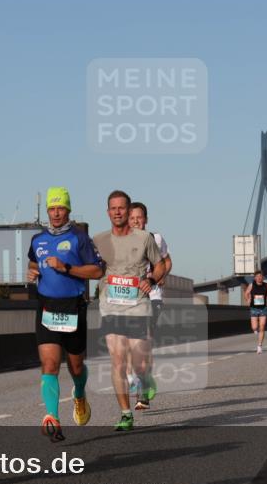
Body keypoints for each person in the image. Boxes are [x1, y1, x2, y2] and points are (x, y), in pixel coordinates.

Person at [26, 187, 104, 441]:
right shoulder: (37, 240)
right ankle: (52, 417)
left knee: (76, 365)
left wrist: (67, 267)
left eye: (60, 208)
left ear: (68, 210)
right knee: (49, 364)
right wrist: (32, 274)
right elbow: (33, 263)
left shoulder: (79, 238)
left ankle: (79, 395)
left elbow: (97, 271)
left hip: (73, 306)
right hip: (47, 306)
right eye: (52, 208)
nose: (56, 213)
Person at [93, 191, 166, 431]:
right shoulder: (100, 240)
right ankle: (125, 414)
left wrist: (153, 280)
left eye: (121, 208)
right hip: (111, 307)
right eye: (112, 208)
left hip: (138, 306)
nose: (117, 212)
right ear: (107, 212)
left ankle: (144, 382)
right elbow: (93, 269)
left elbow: (160, 265)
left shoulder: (145, 238)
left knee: (139, 364)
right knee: (117, 362)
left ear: (127, 210)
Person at [127, 202, 171, 409]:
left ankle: (142, 392)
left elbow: (167, 262)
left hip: (152, 296)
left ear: (146, 219)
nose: (136, 221)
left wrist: (159, 275)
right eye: (132, 218)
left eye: (139, 217)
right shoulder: (122, 241)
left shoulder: (156, 238)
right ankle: (142, 378)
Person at [243, 270, 267, 354]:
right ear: (255, 278)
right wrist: (247, 300)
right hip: (254, 308)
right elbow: (246, 293)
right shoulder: (251, 285)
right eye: (257, 277)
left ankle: (259, 346)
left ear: (263, 277)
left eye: (260, 276)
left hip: (263, 308)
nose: (259, 278)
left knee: (262, 326)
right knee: (254, 327)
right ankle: (256, 330)